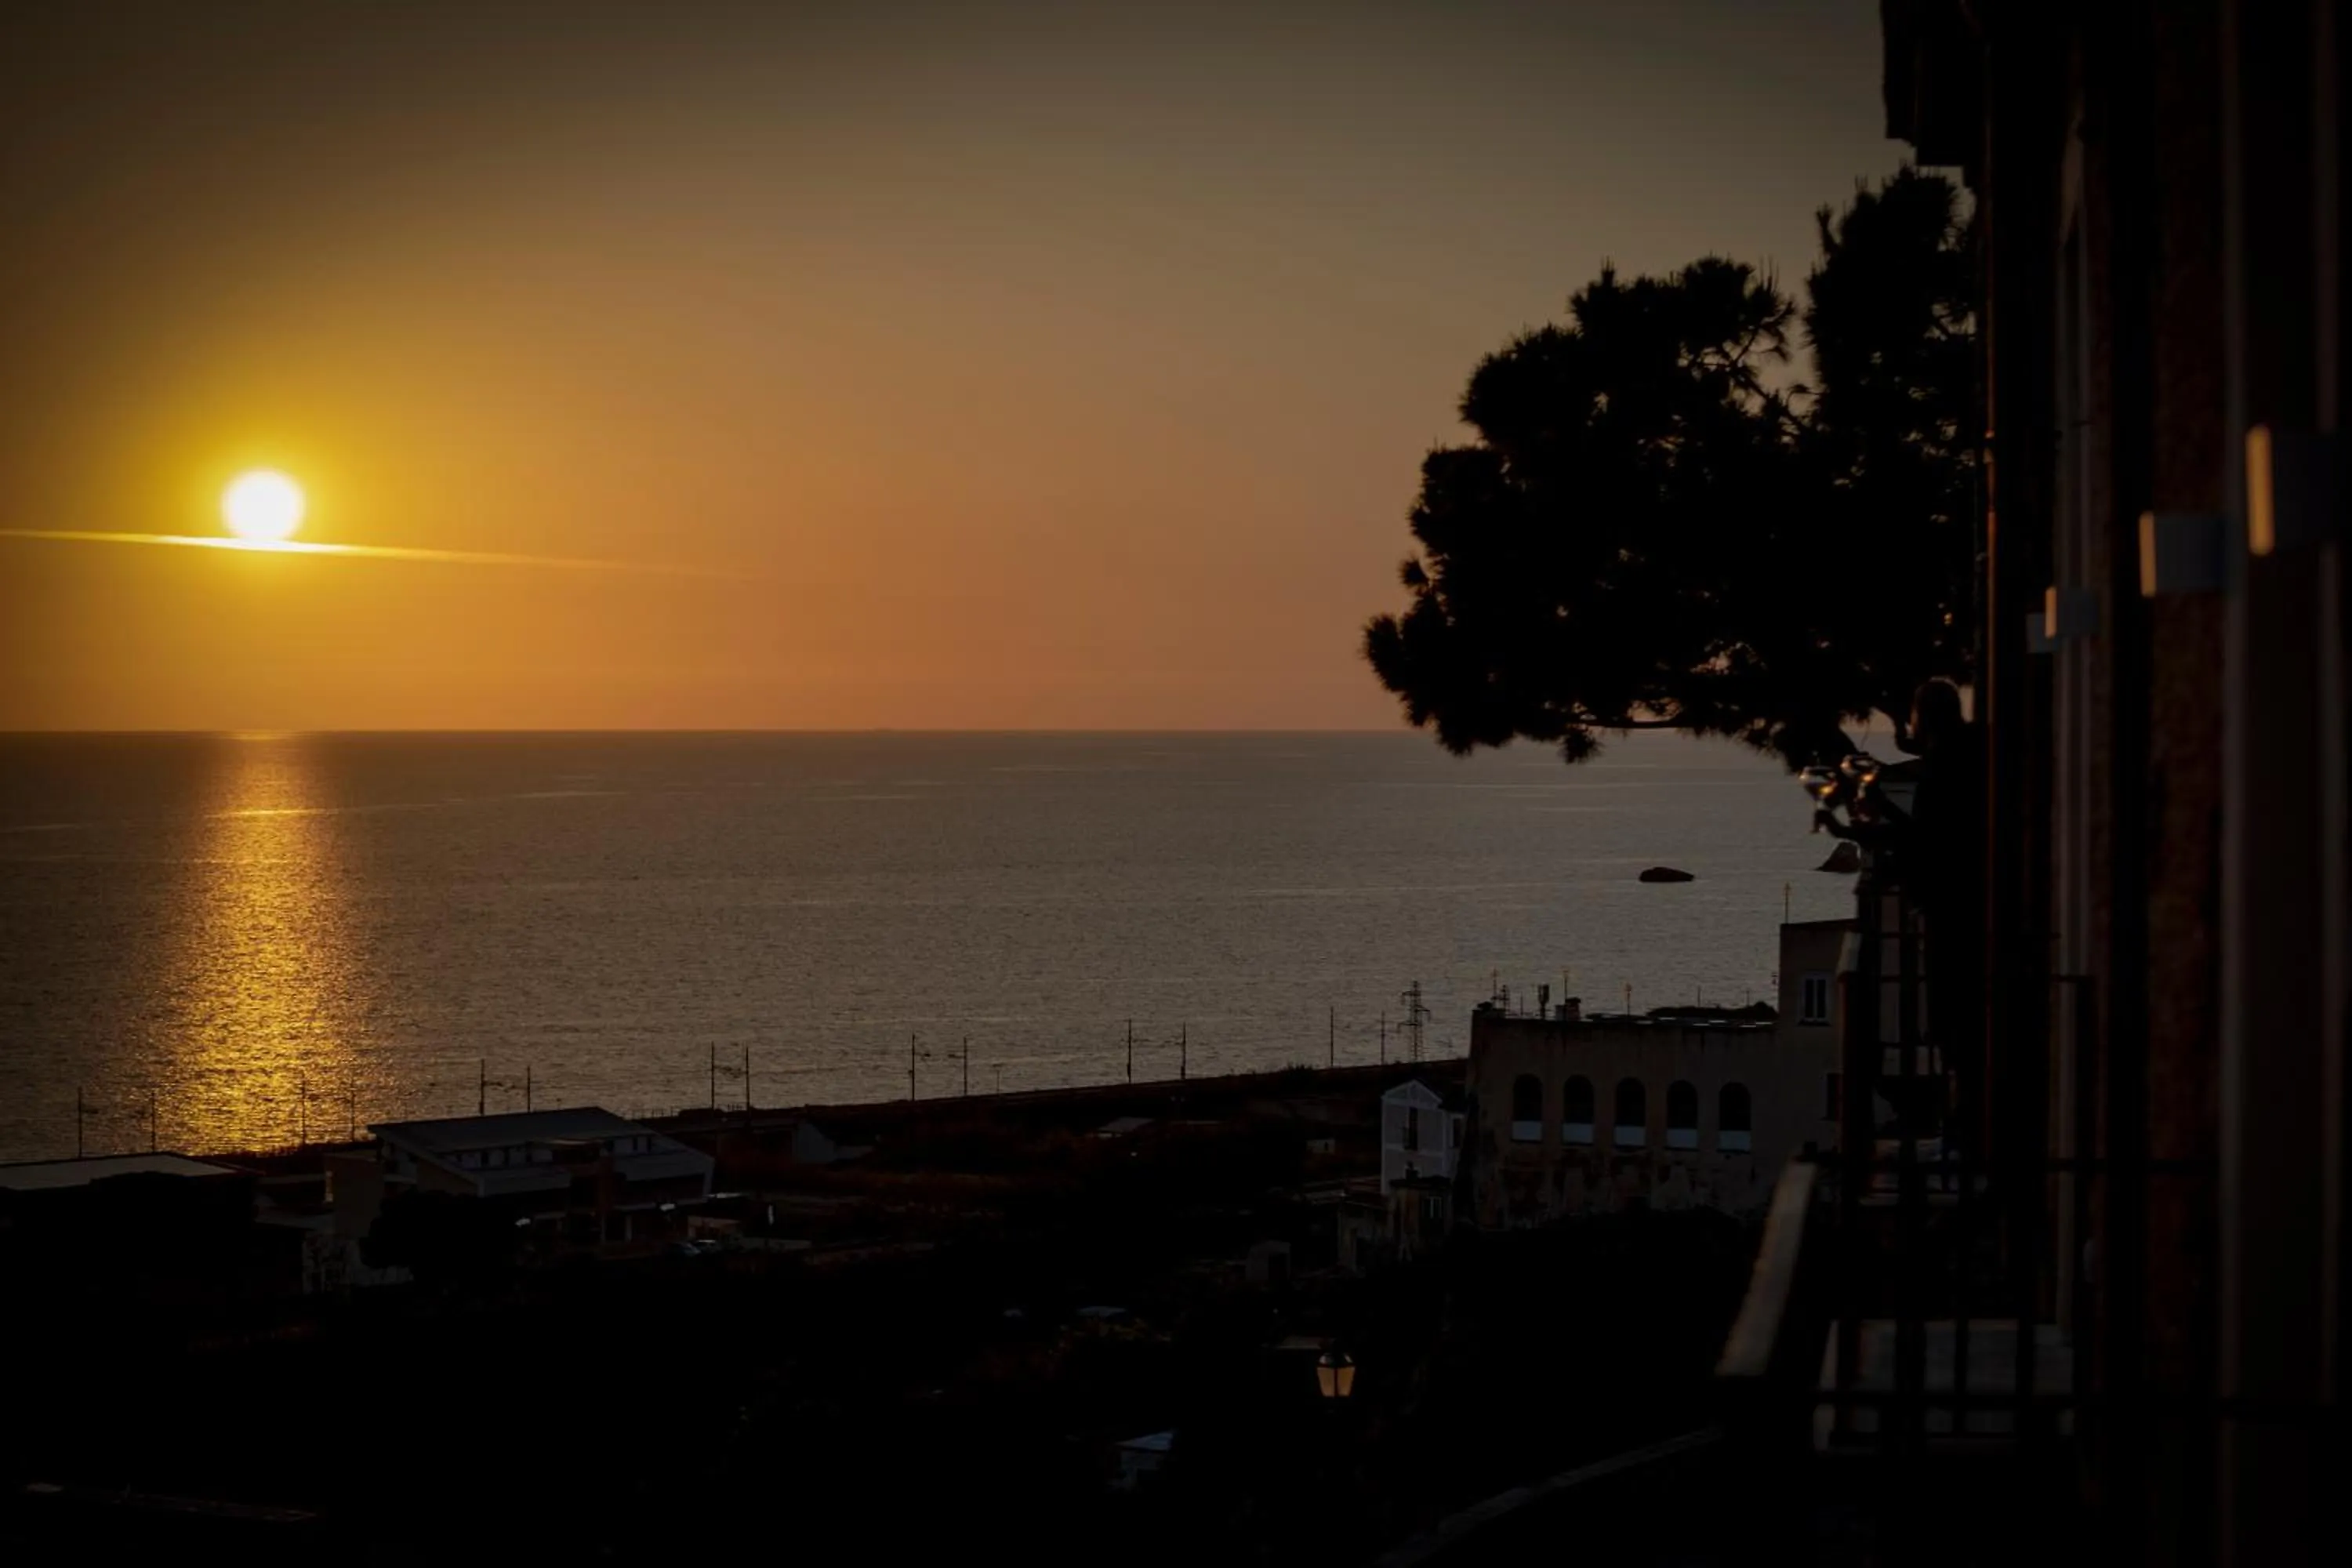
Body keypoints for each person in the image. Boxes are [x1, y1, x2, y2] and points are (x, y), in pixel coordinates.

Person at [1815, 680, 1987, 1150]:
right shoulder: (1965, 758)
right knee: (1955, 1023)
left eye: (1912, 715)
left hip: (1953, 911)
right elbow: (1925, 836)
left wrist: (1858, 827)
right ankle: (1967, 1123)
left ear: (1924, 717)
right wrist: (1871, 817)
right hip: (1958, 906)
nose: (1908, 725)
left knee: (1955, 1023)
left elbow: (1925, 844)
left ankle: (1969, 1131)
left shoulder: (1943, 768)